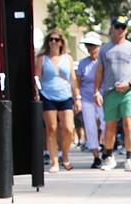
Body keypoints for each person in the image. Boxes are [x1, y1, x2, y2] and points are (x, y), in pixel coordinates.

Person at [94, 16, 131, 172]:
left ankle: (129, 159)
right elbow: (99, 72)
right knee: (110, 126)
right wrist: (96, 91)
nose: (120, 30)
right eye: (118, 26)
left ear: (126, 29)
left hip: (128, 91)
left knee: (129, 123)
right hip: (110, 91)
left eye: (123, 27)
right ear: (112, 28)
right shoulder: (104, 49)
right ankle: (109, 157)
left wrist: (129, 84)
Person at [34, 29, 79, 173]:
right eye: (51, 39)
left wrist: (77, 97)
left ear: (61, 42)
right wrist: (37, 93)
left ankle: (64, 155)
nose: (53, 42)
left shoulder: (68, 58)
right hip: (48, 95)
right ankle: (54, 161)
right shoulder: (42, 58)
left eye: (56, 40)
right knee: (51, 129)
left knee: (68, 128)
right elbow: (37, 78)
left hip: (65, 95)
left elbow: (73, 79)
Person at [75, 31, 107, 169]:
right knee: (90, 127)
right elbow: (77, 82)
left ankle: (107, 151)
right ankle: (96, 156)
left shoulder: (104, 62)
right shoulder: (83, 63)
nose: (91, 48)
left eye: (93, 45)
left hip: (103, 97)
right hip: (87, 98)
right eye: (88, 45)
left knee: (106, 125)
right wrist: (77, 98)